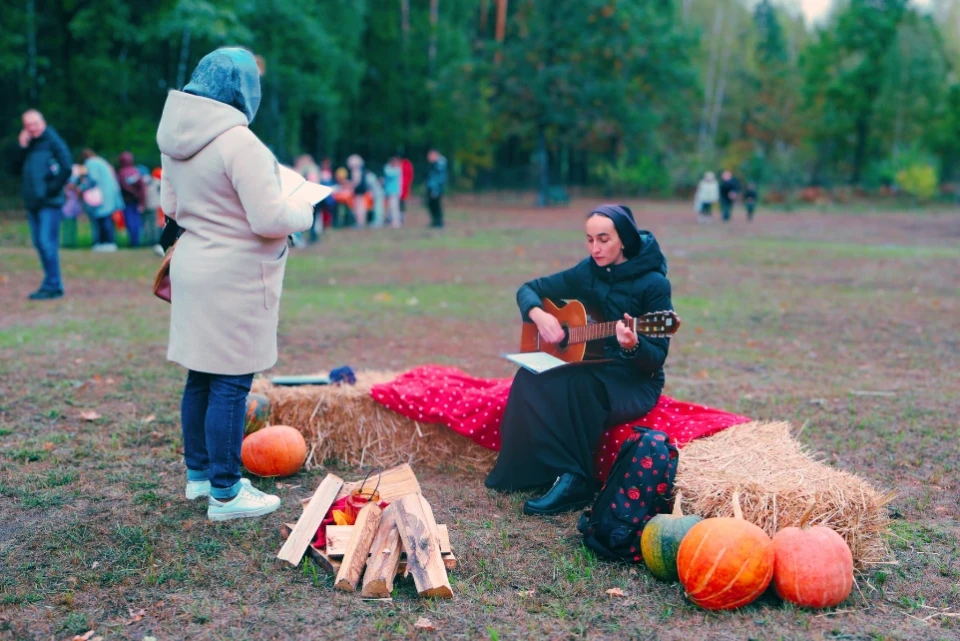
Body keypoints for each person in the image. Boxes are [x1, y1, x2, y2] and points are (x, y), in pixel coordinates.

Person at [157, 47, 314, 521]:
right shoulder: (238, 142)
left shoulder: (174, 138)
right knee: (231, 379)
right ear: (245, 91)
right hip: (236, 276)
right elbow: (269, 218)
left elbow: (173, 206)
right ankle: (226, 493)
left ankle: (200, 477)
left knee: (201, 374)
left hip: (194, 265)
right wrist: (303, 211)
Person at [485, 204, 673, 516]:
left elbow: (655, 359)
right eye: (589, 240)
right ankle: (527, 471)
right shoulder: (589, 271)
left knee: (578, 384)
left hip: (633, 380)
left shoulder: (654, 284)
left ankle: (576, 479)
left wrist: (633, 345)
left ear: (623, 239)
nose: (595, 249)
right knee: (530, 375)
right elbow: (529, 289)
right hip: (593, 364)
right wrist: (539, 314)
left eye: (603, 240)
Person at [16, 109, 72, 300]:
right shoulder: (30, 145)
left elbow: (66, 167)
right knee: (40, 244)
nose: (32, 128)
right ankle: (52, 282)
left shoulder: (53, 141)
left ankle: (53, 285)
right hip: (33, 203)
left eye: (35, 123)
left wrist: (50, 190)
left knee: (47, 243)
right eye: (28, 125)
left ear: (43, 122)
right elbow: (14, 168)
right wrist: (22, 147)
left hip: (50, 203)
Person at [79, 148, 123, 252]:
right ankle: (110, 242)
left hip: (101, 196)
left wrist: (82, 187)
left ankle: (104, 242)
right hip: (109, 194)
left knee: (102, 220)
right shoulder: (101, 161)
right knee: (107, 219)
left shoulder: (90, 163)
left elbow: (93, 179)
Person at [117, 152, 146, 247]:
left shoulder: (121, 173)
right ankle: (136, 241)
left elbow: (123, 187)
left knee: (130, 221)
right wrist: (141, 200)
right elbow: (142, 188)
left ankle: (134, 242)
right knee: (136, 221)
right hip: (136, 201)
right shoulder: (136, 171)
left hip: (127, 201)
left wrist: (133, 194)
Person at [425, 149, 447, 228]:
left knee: (436, 205)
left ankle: (439, 222)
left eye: (431, 155)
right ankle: (435, 221)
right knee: (431, 205)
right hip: (431, 187)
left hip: (436, 189)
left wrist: (436, 190)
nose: (429, 157)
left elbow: (440, 179)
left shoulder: (440, 165)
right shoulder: (434, 164)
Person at [346, 154, 368, 227]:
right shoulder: (360, 170)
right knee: (361, 206)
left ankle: (359, 222)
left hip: (358, 191)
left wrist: (349, 185)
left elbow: (355, 182)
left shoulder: (356, 171)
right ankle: (361, 222)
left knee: (359, 206)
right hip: (360, 191)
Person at [383, 156, 402, 227]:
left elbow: (388, 172)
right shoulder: (394, 169)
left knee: (394, 207)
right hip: (389, 191)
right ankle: (392, 220)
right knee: (391, 207)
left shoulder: (396, 170)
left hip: (394, 191)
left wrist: (388, 166)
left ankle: (396, 221)